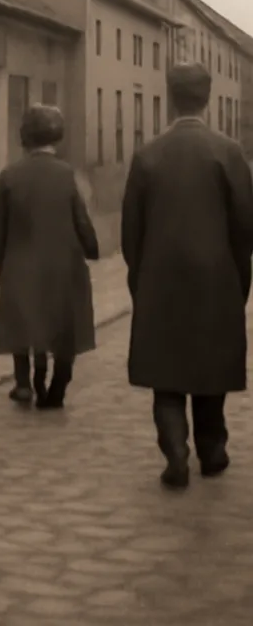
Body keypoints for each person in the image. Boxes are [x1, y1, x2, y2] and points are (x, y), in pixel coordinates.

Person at [121, 61, 253, 489]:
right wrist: (239, 281)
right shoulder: (229, 153)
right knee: (209, 366)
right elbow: (244, 227)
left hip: (160, 279)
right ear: (209, 96)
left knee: (166, 371)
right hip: (216, 278)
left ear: (170, 95)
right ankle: (212, 450)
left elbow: (131, 233)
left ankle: (175, 451)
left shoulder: (147, 156)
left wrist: (139, 280)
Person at [0, 103, 100, 409]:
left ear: (24, 137)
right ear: (57, 137)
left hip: (21, 262)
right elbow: (80, 219)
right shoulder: (65, 174)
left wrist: (3, 267)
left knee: (22, 320)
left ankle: (24, 383)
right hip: (62, 265)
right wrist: (92, 247)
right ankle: (59, 383)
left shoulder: (8, 176)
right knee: (65, 322)